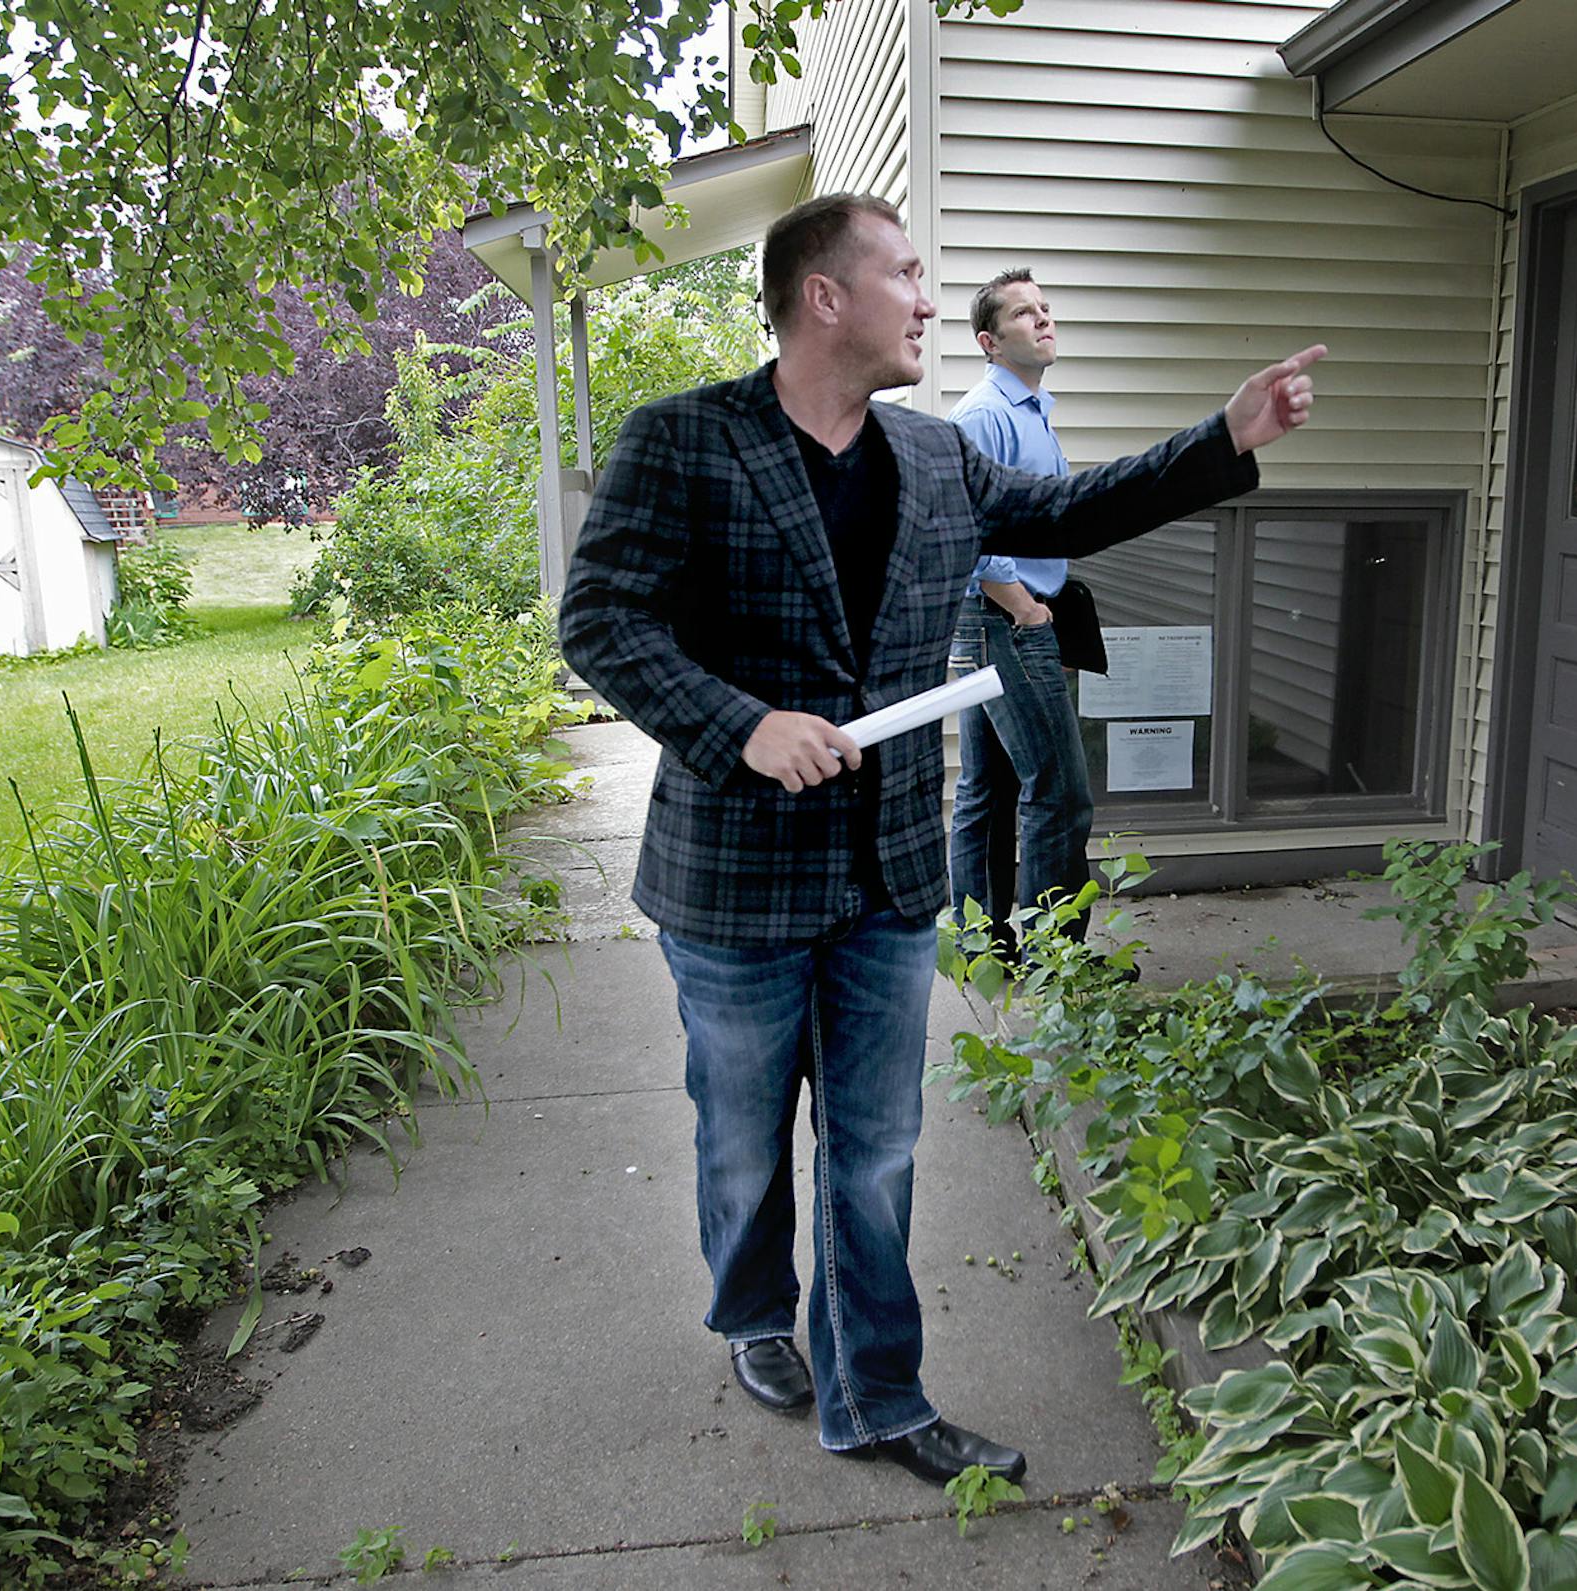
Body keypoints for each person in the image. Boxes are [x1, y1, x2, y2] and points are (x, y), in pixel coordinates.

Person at [558, 191, 1322, 1489]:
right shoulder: (683, 440)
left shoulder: (934, 457)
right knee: (743, 1135)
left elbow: (1069, 508)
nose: (928, 299)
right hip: (735, 880)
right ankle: (753, 1312)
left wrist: (1224, 439)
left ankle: (876, 1396)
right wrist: (742, 725)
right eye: (907, 274)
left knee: (875, 1151)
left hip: (889, 875)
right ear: (824, 296)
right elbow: (602, 621)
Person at [946, 268, 1090, 949]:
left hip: (1000, 618)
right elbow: (966, 529)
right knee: (1058, 791)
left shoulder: (1031, 411)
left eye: (1046, 308)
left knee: (989, 788)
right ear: (990, 341)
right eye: (1024, 313)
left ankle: (980, 941)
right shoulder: (985, 416)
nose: (1044, 319)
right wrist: (1026, 609)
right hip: (1002, 619)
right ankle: (1055, 958)